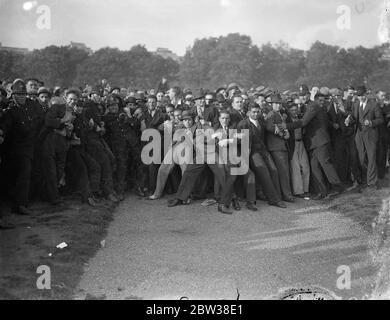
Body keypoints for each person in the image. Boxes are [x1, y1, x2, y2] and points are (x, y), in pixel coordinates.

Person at [0, 79, 42, 215]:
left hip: (31, 146)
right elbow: (5, 126)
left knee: (31, 173)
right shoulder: (11, 111)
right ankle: (20, 204)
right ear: (12, 96)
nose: (22, 97)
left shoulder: (31, 105)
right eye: (18, 94)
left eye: (24, 94)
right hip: (17, 150)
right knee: (23, 173)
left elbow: (41, 118)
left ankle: (25, 200)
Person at [237, 104, 287, 208]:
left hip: (263, 150)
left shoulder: (261, 121)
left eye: (257, 112)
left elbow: (269, 127)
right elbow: (240, 142)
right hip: (252, 152)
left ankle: (277, 196)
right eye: (253, 112)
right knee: (264, 173)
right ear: (248, 112)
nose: (256, 114)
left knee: (274, 170)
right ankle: (274, 200)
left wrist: (279, 127)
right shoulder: (243, 124)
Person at [345, 85, 384, 191]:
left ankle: (372, 182)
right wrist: (349, 121)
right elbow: (354, 117)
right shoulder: (356, 104)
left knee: (371, 158)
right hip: (359, 135)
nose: (361, 97)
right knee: (361, 159)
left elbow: (381, 119)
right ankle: (367, 179)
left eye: (362, 95)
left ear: (366, 94)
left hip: (371, 135)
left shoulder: (374, 104)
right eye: (359, 96)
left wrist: (371, 122)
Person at [265, 93, 295, 202]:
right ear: (271, 104)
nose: (277, 105)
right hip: (277, 146)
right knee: (283, 171)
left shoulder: (280, 113)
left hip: (280, 146)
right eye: (275, 103)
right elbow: (269, 127)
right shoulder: (271, 114)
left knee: (283, 171)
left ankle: (284, 194)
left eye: (279, 103)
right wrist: (282, 133)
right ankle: (287, 195)